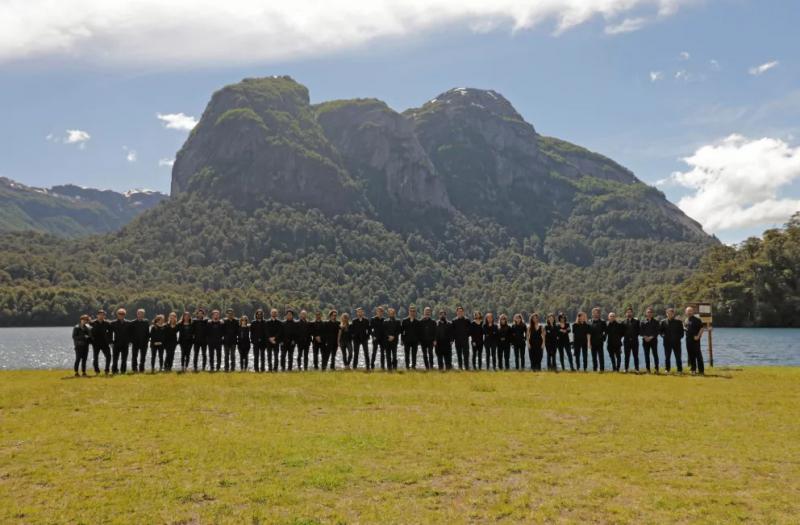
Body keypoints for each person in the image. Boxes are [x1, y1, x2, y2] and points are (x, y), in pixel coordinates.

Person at [660, 307, 684, 373]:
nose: (670, 314)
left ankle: (679, 370)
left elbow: (682, 333)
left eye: (671, 313)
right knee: (667, 357)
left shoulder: (679, 322)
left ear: (673, 314)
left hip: (676, 343)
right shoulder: (663, 322)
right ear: (666, 314)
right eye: (668, 313)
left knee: (678, 357)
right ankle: (667, 370)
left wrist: (678, 338)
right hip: (667, 343)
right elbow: (660, 332)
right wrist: (663, 336)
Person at [90, 309, 113, 375]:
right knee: (95, 358)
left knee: (108, 356)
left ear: (104, 316)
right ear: (97, 315)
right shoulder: (92, 323)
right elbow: (88, 332)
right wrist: (91, 341)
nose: (101, 316)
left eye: (103, 315)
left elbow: (110, 333)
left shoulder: (107, 323)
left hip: (105, 343)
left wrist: (110, 341)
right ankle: (97, 371)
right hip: (95, 343)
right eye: (100, 315)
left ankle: (107, 370)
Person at [684, 306, 706, 375]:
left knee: (698, 355)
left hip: (695, 340)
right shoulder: (686, 320)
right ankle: (693, 369)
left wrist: (698, 336)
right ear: (686, 312)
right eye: (688, 311)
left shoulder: (697, 320)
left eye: (690, 311)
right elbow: (685, 327)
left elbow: (702, 328)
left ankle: (701, 371)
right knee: (691, 356)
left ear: (693, 312)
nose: (689, 312)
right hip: (688, 340)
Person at [110, 308, 130, 375]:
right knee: (115, 359)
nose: (121, 315)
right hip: (116, 343)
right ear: (117, 315)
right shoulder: (113, 323)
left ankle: (123, 371)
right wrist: (111, 342)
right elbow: (109, 333)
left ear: (125, 315)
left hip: (125, 344)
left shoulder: (128, 323)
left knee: (124, 359)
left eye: (123, 314)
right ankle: (114, 371)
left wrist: (130, 341)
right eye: (120, 314)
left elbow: (131, 333)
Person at [640, 307, 660, 373]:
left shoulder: (656, 322)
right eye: (648, 312)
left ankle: (656, 369)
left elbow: (657, 331)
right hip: (645, 341)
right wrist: (645, 337)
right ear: (646, 313)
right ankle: (648, 369)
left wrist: (651, 337)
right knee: (646, 355)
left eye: (651, 312)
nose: (649, 313)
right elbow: (640, 331)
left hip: (653, 340)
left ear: (653, 313)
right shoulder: (642, 322)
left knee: (655, 355)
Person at [131, 308, 150, 373]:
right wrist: (132, 341)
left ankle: (142, 369)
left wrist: (147, 341)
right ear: (137, 314)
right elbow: (130, 333)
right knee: (134, 357)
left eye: (142, 314)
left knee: (143, 357)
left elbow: (148, 333)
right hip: (135, 343)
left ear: (144, 315)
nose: (140, 315)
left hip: (144, 343)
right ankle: (134, 369)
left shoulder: (146, 322)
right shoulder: (133, 323)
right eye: (139, 313)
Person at [622, 307, 640, 373]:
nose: (629, 313)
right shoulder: (623, 322)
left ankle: (637, 369)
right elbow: (622, 332)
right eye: (628, 312)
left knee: (636, 356)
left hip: (635, 341)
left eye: (630, 312)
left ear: (632, 313)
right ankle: (626, 369)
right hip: (626, 341)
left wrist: (633, 336)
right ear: (626, 314)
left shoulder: (637, 321)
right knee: (626, 356)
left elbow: (638, 331)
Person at [588, 307, 607, 372]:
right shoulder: (590, 322)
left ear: (599, 314)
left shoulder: (602, 322)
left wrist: (604, 338)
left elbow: (605, 331)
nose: (595, 314)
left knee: (601, 356)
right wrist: (589, 342)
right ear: (592, 314)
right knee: (594, 357)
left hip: (600, 341)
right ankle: (595, 369)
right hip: (592, 342)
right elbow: (588, 333)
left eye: (597, 313)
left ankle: (602, 369)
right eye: (594, 313)